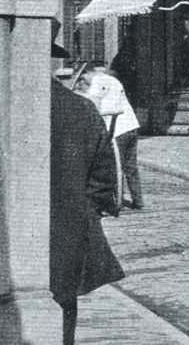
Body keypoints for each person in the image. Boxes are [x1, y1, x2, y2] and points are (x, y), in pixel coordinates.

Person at [49, 68, 124, 345]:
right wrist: (84, 211)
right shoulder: (81, 108)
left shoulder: (2, 101)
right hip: (68, 227)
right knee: (62, 301)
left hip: (8, 231)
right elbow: (104, 176)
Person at [82, 63, 144, 210]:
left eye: (84, 78)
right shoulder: (114, 80)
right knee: (131, 167)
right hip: (131, 124)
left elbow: (91, 102)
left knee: (115, 165)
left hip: (117, 128)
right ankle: (138, 200)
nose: (84, 82)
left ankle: (117, 202)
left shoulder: (98, 81)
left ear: (90, 73)